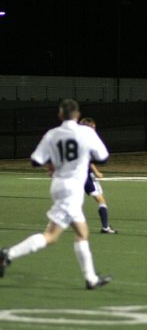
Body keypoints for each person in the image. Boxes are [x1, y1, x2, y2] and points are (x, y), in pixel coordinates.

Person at [0, 99, 112, 289]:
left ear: (60, 115)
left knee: (82, 232)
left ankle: (91, 279)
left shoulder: (52, 134)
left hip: (59, 185)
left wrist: (51, 164)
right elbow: (103, 158)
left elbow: (35, 161)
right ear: (78, 115)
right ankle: (7, 255)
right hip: (72, 189)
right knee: (51, 236)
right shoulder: (86, 132)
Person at [80, 117, 117, 234]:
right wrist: (96, 172)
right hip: (85, 175)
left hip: (72, 175)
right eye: (93, 128)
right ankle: (105, 227)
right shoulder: (88, 141)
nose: (95, 130)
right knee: (100, 199)